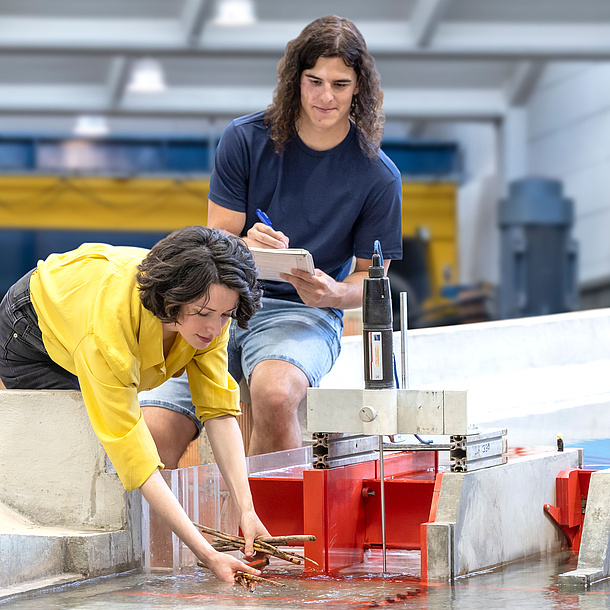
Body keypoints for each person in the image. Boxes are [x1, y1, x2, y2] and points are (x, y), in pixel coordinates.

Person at [140, 15, 403, 455]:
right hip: (220, 302)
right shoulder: (245, 139)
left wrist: (331, 293)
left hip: (301, 313)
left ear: (359, 87)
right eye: (314, 80)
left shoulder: (378, 176)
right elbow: (215, 240)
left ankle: (271, 524)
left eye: (339, 84)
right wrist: (244, 244)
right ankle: (170, 527)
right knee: (153, 428)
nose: (325, 96)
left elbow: (370, 283)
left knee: (275, 394)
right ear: (295, 80)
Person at [0, 226, 268, 583]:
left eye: (225, 316)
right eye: (203, 314)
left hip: (90, 293)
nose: (215, 329)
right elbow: (136, 460)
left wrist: (247, 511)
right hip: (28, 328)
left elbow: (218, 410)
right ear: (173, 300)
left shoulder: (210, 314)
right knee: (101, 430)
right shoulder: (108, 336)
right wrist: (206, 554)